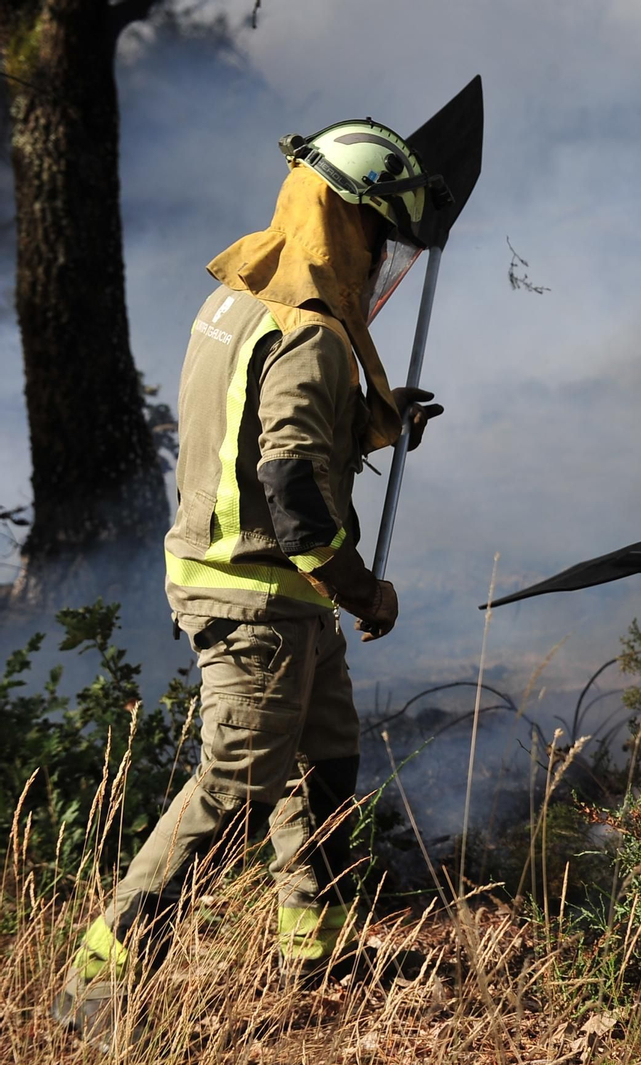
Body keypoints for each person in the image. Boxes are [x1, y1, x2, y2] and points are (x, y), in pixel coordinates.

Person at [53, 117, 446, 1047]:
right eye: (381, 235)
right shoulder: (313, 332)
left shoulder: (240, 298)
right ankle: (95, 982)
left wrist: (378, 419)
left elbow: (250, 424)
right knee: (234, 791)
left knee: (325, 763)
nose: (380, 260)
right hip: (260, 593)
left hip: (258, 587)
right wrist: (364, 591)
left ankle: (314, 955)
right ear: (347, 218)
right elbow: (291, 485)